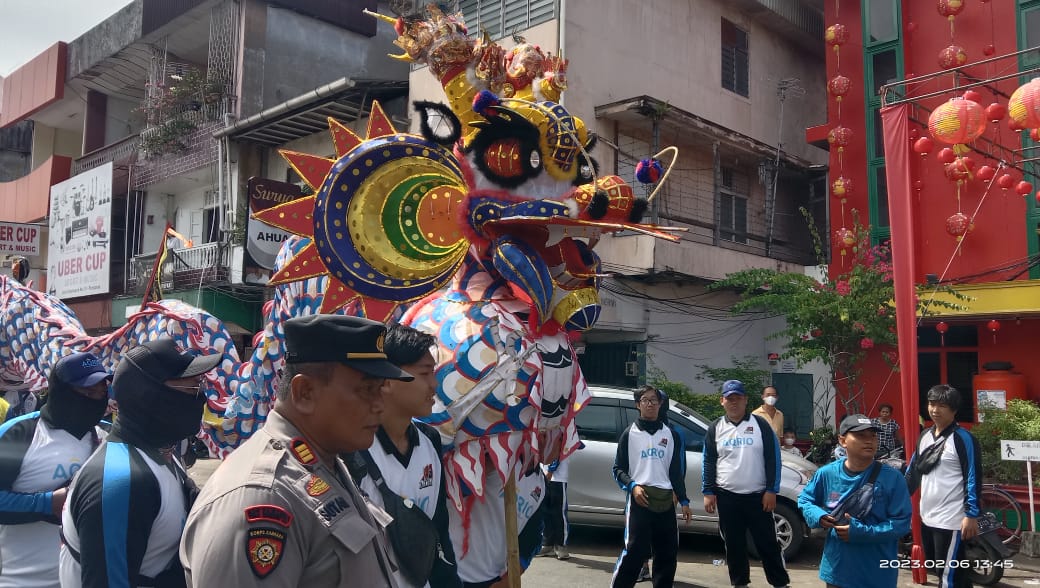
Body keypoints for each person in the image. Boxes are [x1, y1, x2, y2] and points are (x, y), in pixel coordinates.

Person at [181, 315, 411, 586]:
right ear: (305, 393)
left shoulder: (323, 462)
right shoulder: (262, 495)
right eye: (367, 390)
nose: (379, 405)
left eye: (381, 390)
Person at [59, 339, 220, 588]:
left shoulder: (161, 454)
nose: (202, 396)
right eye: (193, 388)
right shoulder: (121, 481)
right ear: (152, 395)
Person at [347, 324, 461, 588]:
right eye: (425, 373)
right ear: (387, 380)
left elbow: (438, 530)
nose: (434, 384)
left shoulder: (430, 441)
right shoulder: (351, 448)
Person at [0, 352, 110, 588]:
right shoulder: (18, 434)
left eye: (101, 393)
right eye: (87, 392)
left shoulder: (107, 437)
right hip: (22, 581)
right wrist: (48, 503)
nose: (95, 400)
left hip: (87, 580)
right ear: (61, 391)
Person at [797, 414, 912, 588]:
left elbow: (901, 523)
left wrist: (862, 532)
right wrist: (819, 516)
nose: (869, 441)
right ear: (842, 441)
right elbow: (805, 500)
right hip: (838, 570)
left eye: (872, 436)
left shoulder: (893, 479)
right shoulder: (827, 473)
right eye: (860, 436)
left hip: (877, 573)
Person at [702, 380, 790, 588]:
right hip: (727, 497)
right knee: (734, 545)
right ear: (722, 401)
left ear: (745, 400)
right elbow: (708, 461)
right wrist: (708, 491)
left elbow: (773, 459)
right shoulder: (715, 428)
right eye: (729, 399)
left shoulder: (760, 426)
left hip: (758, 497)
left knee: (768, 544)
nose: (734, 403)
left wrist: (771, 490)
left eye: (738, 398)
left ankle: (780, 583)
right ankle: (740, 583)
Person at [610, 385, 691, 588]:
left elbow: (675, 471)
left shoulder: (671, 435)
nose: (650, 404)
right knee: (634, 551)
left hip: (665, 502)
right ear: (638, 405)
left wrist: (684, 499)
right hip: (640, 499)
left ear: (660, 404)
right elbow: (618, 469)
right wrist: (633, 487)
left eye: (654, 400)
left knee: (667, 553)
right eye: (645, 400)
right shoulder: (630, 434)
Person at [905, 384, 982, 588]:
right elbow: (913, 473)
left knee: (948, 576)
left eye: (942, 405)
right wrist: (896, 502)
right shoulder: (925, 436)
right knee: (945, 570)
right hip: (927, 516)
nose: (935, 410)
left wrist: (971, 514)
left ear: (954, 410)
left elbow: (973, 477)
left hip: (952, 519)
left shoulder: (963, 439)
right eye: (931, 404)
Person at [448, 464, 546, 588]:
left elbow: (531, 539)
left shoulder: (541, 485)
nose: (563, 456)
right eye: (561, 445)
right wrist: (488, 463)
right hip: (451, 572)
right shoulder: (498, 455)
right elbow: (454, 487)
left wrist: (508, 580)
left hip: (491, 580)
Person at [538, 452, 572, 561]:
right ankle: (547, 544)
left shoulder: (562, 434)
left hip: (558, 478)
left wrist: (551, 470)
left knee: (559, 513)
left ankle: (561, 545)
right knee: (545, 512)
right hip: (544, 475)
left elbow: (560, 450)